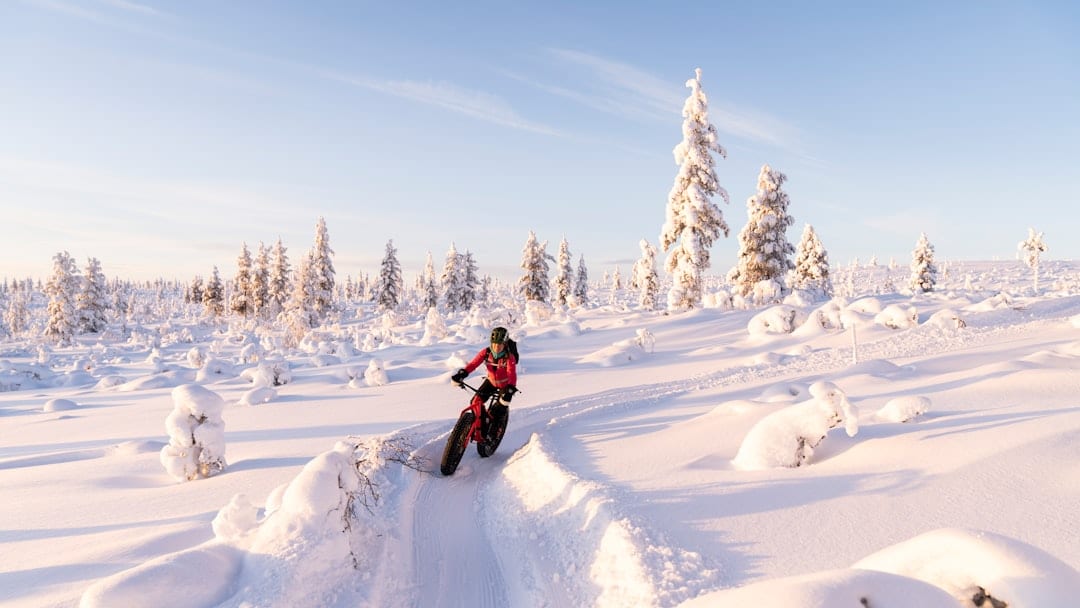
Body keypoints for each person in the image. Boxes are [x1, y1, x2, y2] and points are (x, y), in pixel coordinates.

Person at [451, 326, 517, 442]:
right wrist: (462, 373)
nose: (497, 347)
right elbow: (473, 364)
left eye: (500, 344)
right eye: (495, 344)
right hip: (490, 382)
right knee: (475, 402)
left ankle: (494, 431)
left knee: (500, 408)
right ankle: (481, 424)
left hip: (504, 385)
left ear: (505, 344)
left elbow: (511, 373)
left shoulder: (508, 357)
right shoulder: (486, 352)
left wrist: (510, 388)